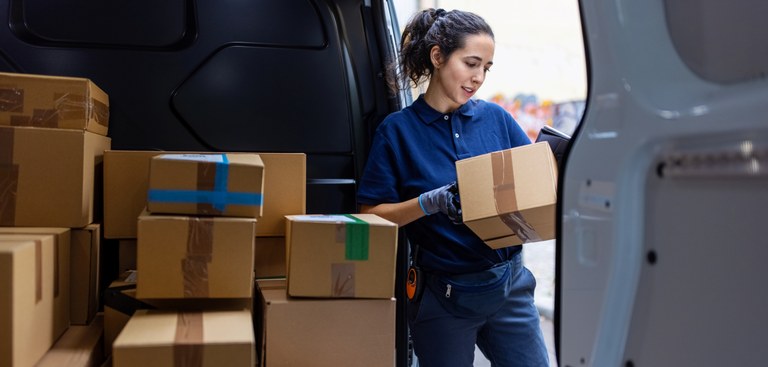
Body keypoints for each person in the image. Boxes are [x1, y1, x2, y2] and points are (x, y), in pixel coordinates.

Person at [356, 8, 550, 367]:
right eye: (471, 63)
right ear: (438, 56)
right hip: (445, 299)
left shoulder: (496, 118)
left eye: (486, 68)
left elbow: (535, 183)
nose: (478, 77)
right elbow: (370, 216)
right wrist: (427, 203)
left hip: (510, 288)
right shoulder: (397, 132)